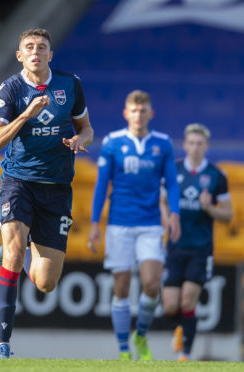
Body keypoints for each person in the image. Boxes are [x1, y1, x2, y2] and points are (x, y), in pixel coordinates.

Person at [0, 28, 94, 359]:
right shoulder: (10, 89)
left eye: (42, 47)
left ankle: (12, 258)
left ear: (51, 55)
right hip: (19, 182)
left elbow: (87, 128)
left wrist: (82, 141)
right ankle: (1, 345)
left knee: (46, 283)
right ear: (20, 55)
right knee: (16, 250)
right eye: (29, 47)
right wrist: (25, 115)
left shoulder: (70, 84)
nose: (36, 51)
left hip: (57, 187)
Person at [88, 90, 181, 361]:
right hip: (119, 224)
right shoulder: (113, 143)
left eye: (143, 111)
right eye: (134, 110)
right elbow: (102, 185)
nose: (138, 115)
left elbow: (172, 183)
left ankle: (140, 335)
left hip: (151, 223)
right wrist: (95, 222)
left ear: (150, 114)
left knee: (152, 284)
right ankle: (124, 349)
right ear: (125, 113)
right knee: (122, 286)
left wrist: (173, 213)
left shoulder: (162, 144)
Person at [161, 123, 232, 361]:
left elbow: (228, 215)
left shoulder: (216, 176)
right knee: (170, 306)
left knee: (188, 298)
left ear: (206, 146)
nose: (194, 147)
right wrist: (168, 219)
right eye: (191, 143)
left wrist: (209, 207)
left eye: (199, 143)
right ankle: (181, 328)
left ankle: (185, 355)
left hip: (200, 248)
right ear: (185, 144)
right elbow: (161, 201)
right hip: (175, 246)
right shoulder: (173, 170)